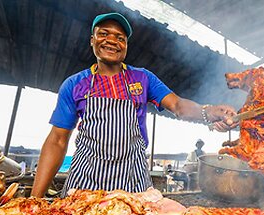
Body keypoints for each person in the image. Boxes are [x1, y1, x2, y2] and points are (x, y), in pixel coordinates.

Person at [31, 12, 237, 197]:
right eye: (104, 34)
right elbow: (57, 141)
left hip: (132, 185)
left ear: (126, 46)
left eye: (120, 38)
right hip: (85, 184)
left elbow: (179, 106)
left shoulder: (143, 79)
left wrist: (210, 111)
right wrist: (34, 200)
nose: (112, 41)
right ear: (92, 40)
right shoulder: (75, 84)